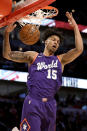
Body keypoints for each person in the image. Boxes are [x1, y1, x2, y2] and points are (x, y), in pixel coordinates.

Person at [3, 12, 83, 131]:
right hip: (33, 102)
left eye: (58, 42)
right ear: (45, 41)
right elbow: (7, 54)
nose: (56, 42)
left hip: (50, 105)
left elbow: (79, 49)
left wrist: (75, 27)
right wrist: (7, 33)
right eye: (53, 40)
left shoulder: (60, 60)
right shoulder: (33, 56)